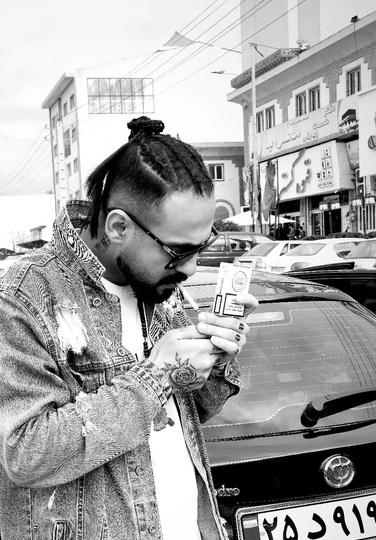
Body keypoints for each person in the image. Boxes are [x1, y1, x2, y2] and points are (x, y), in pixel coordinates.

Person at [0, 116, 258, 540]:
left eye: (202, 246)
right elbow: (25, 453)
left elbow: (188, 414)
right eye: (178, 251)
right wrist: (156, 375)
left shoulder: (155, 286)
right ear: (119, 227)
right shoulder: (23, 296)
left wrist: (213, 358)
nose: (192, 269)